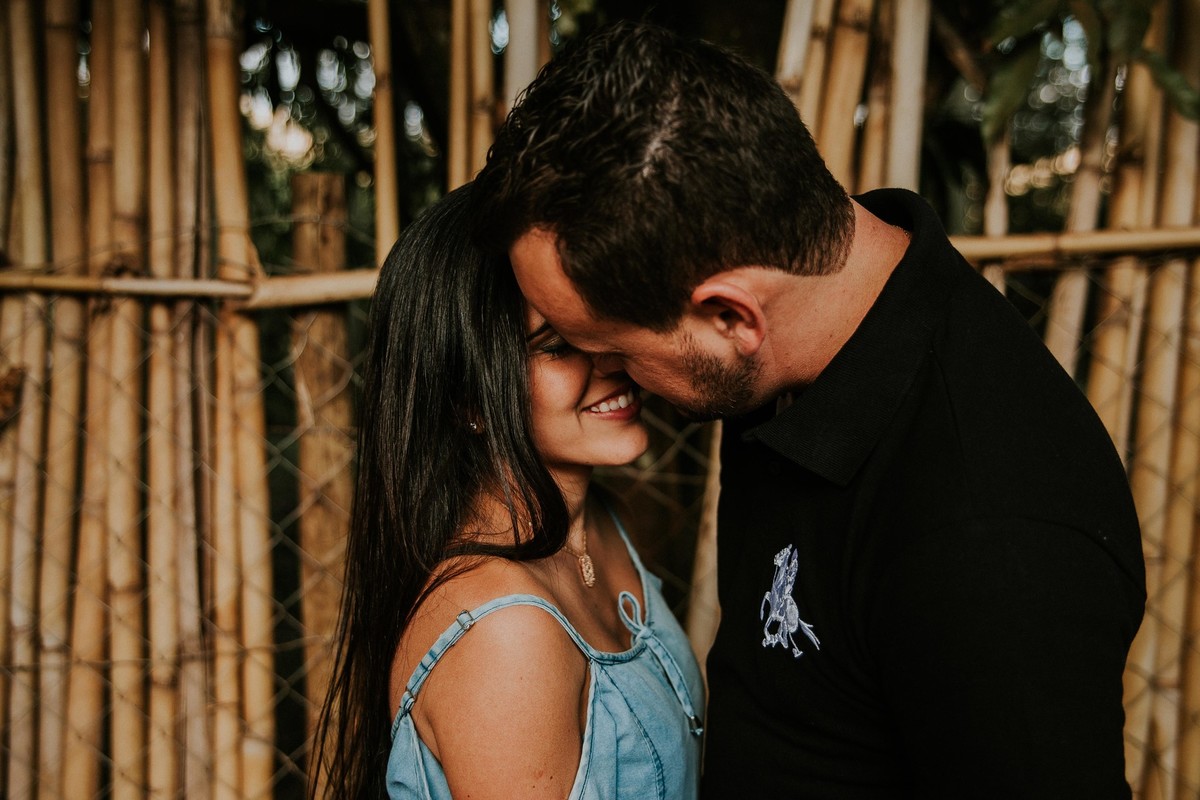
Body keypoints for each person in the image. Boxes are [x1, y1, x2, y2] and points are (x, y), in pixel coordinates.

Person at [472, 20, 1146, 799]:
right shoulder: (793, 354)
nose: (613, 377)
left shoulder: (990, 539)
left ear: (730, 318)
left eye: (615, 348)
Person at [313, 185, 704, 800]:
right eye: (557, 344)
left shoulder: (597, 523)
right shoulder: (504, 634)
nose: (609, 359)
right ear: (471, 399)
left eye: (601, 324)